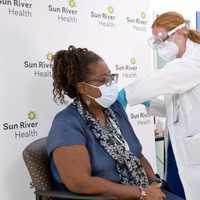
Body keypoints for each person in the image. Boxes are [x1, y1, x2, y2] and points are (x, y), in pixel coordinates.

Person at [47, 45, 168, 200]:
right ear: (83, 87)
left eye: (111, 77)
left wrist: (153, 182)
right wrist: (141, 193)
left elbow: (137, 155)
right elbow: (80, 183)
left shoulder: (114, 109)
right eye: (102, 80)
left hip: (138, 191)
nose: (110, 83)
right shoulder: (66, 123)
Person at [118, 11, 200, 200]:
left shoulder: (194, 61)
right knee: (177, 190)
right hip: (182, 144)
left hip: (193, 147)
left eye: (162, 39)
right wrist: (151, 103)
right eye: (156, 42)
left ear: (180, 32)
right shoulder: (182, 63)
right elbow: (178, 111)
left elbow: (162, 78)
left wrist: (128, 94)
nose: (161, 46)